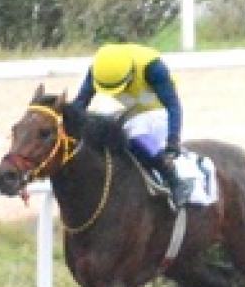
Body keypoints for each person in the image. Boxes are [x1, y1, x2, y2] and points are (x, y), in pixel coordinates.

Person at [72, 42, 192, 208]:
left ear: (131, 73)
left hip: (159, 111)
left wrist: (173, 141)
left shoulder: (153, 67)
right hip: (133, 112)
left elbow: (173, 105)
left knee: (134, 136)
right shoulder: (99, 70)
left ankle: (174, 180)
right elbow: (79, 104)